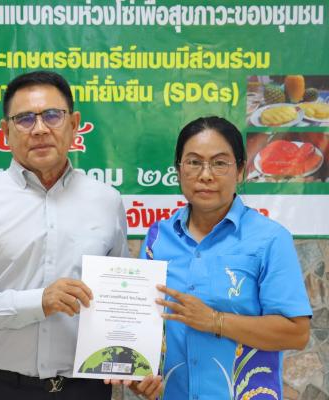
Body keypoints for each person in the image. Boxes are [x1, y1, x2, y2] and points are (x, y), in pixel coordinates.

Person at [0, 70, 129, 400]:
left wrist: (128, 359)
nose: (39, 129)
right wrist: (38, 301)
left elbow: (118, 298)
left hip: (84, 389)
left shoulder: (106, 201)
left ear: (74, 124)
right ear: (5, 131)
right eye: (24, 119)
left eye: (52, 115)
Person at [128, 116, 312, 399]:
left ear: (240, 171)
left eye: (219, 163)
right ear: (178, 170)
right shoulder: (157, 239)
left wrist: (215, 320)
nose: (205, 175)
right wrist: (140, 377)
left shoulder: (270, 239)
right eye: (193, 162)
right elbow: (145, 324)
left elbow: (297, 334)